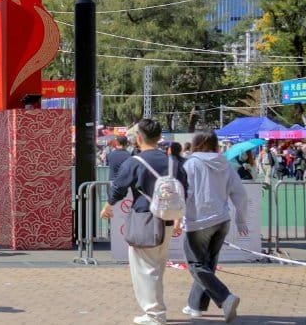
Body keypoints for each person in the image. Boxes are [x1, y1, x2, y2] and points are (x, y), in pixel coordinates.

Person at [101, 118, 189, 325]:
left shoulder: (135, 162)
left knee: (144, 268)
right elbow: (184, 188)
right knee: (157, 266)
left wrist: (107, 205)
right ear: (159, 137)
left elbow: (119, 187)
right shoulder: (173, 162)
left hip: (144, 219)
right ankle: (156, 311)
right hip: (167, 219)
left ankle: (154, 314)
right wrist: (179, 217)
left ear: (139, 138)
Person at [181, 129, 245, 322]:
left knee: (196, 264)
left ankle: (225, 297)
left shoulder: (190, 164)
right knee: (208, 264)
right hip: (221, 219)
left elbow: (186, 192)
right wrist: (240, 218)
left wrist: (178, 216)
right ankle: (195, 305)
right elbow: (240, 193)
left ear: (196, 143)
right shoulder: (224, 163)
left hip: (198, 220)